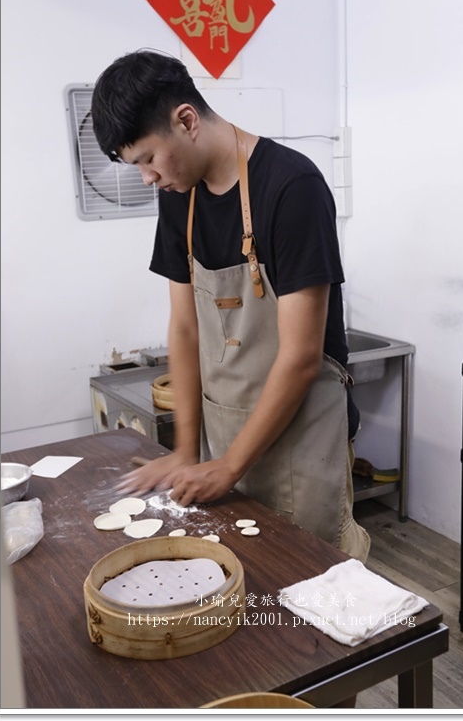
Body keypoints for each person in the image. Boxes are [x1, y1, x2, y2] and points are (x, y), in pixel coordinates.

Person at [91, 49, 370, 562]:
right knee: (241, 582)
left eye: (148, 159)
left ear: (187, 120)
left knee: (309, 583)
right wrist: (187, 452)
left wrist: (229, 466)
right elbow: (185, 328)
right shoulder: (180, 195)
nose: (148, 178)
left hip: (302, 440)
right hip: (226, 436)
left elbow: (302, 355)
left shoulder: (291, 187)